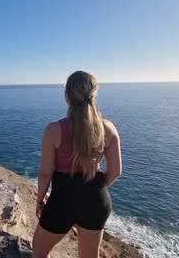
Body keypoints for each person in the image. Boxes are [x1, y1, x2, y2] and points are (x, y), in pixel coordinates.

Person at [32, 71, 122, 258]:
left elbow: (45, 173)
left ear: (67, 97)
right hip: (97, 201)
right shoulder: (108, 128)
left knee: (39, 253)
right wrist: (92, 189)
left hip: (62, 201)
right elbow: (115, 173)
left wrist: (40, 201)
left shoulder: (53, 130)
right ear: (94, 95)